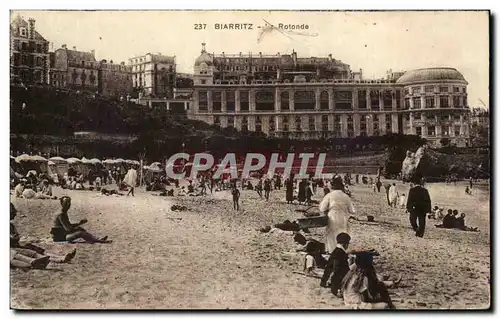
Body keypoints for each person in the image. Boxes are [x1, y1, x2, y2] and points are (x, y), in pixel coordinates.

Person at [11, 203, 76, 264]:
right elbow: (14, 238)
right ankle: (58, 259)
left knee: (35, 248)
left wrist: (14, 238)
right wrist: (14, 238)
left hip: (16, 245)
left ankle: (59, 257)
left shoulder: (11, 225)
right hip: (12, 249)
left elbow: (16, 237)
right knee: (31, 253)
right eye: (12, 213)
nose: (14, 214)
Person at [319, 176, 356, 253]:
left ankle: (332, 251)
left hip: (332, 216)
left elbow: (322, 208)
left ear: (333, 186)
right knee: (342, 234)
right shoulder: (346, 196)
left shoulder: (329, 195)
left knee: (332, 234)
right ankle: (342, 251)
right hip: (344, 217)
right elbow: (352, 210)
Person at [320, 232, 351, 297]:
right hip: (337, 283)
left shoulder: (336, 251)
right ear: (345, 244)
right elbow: (336, 269)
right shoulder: (340, 253)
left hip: (330, 278)